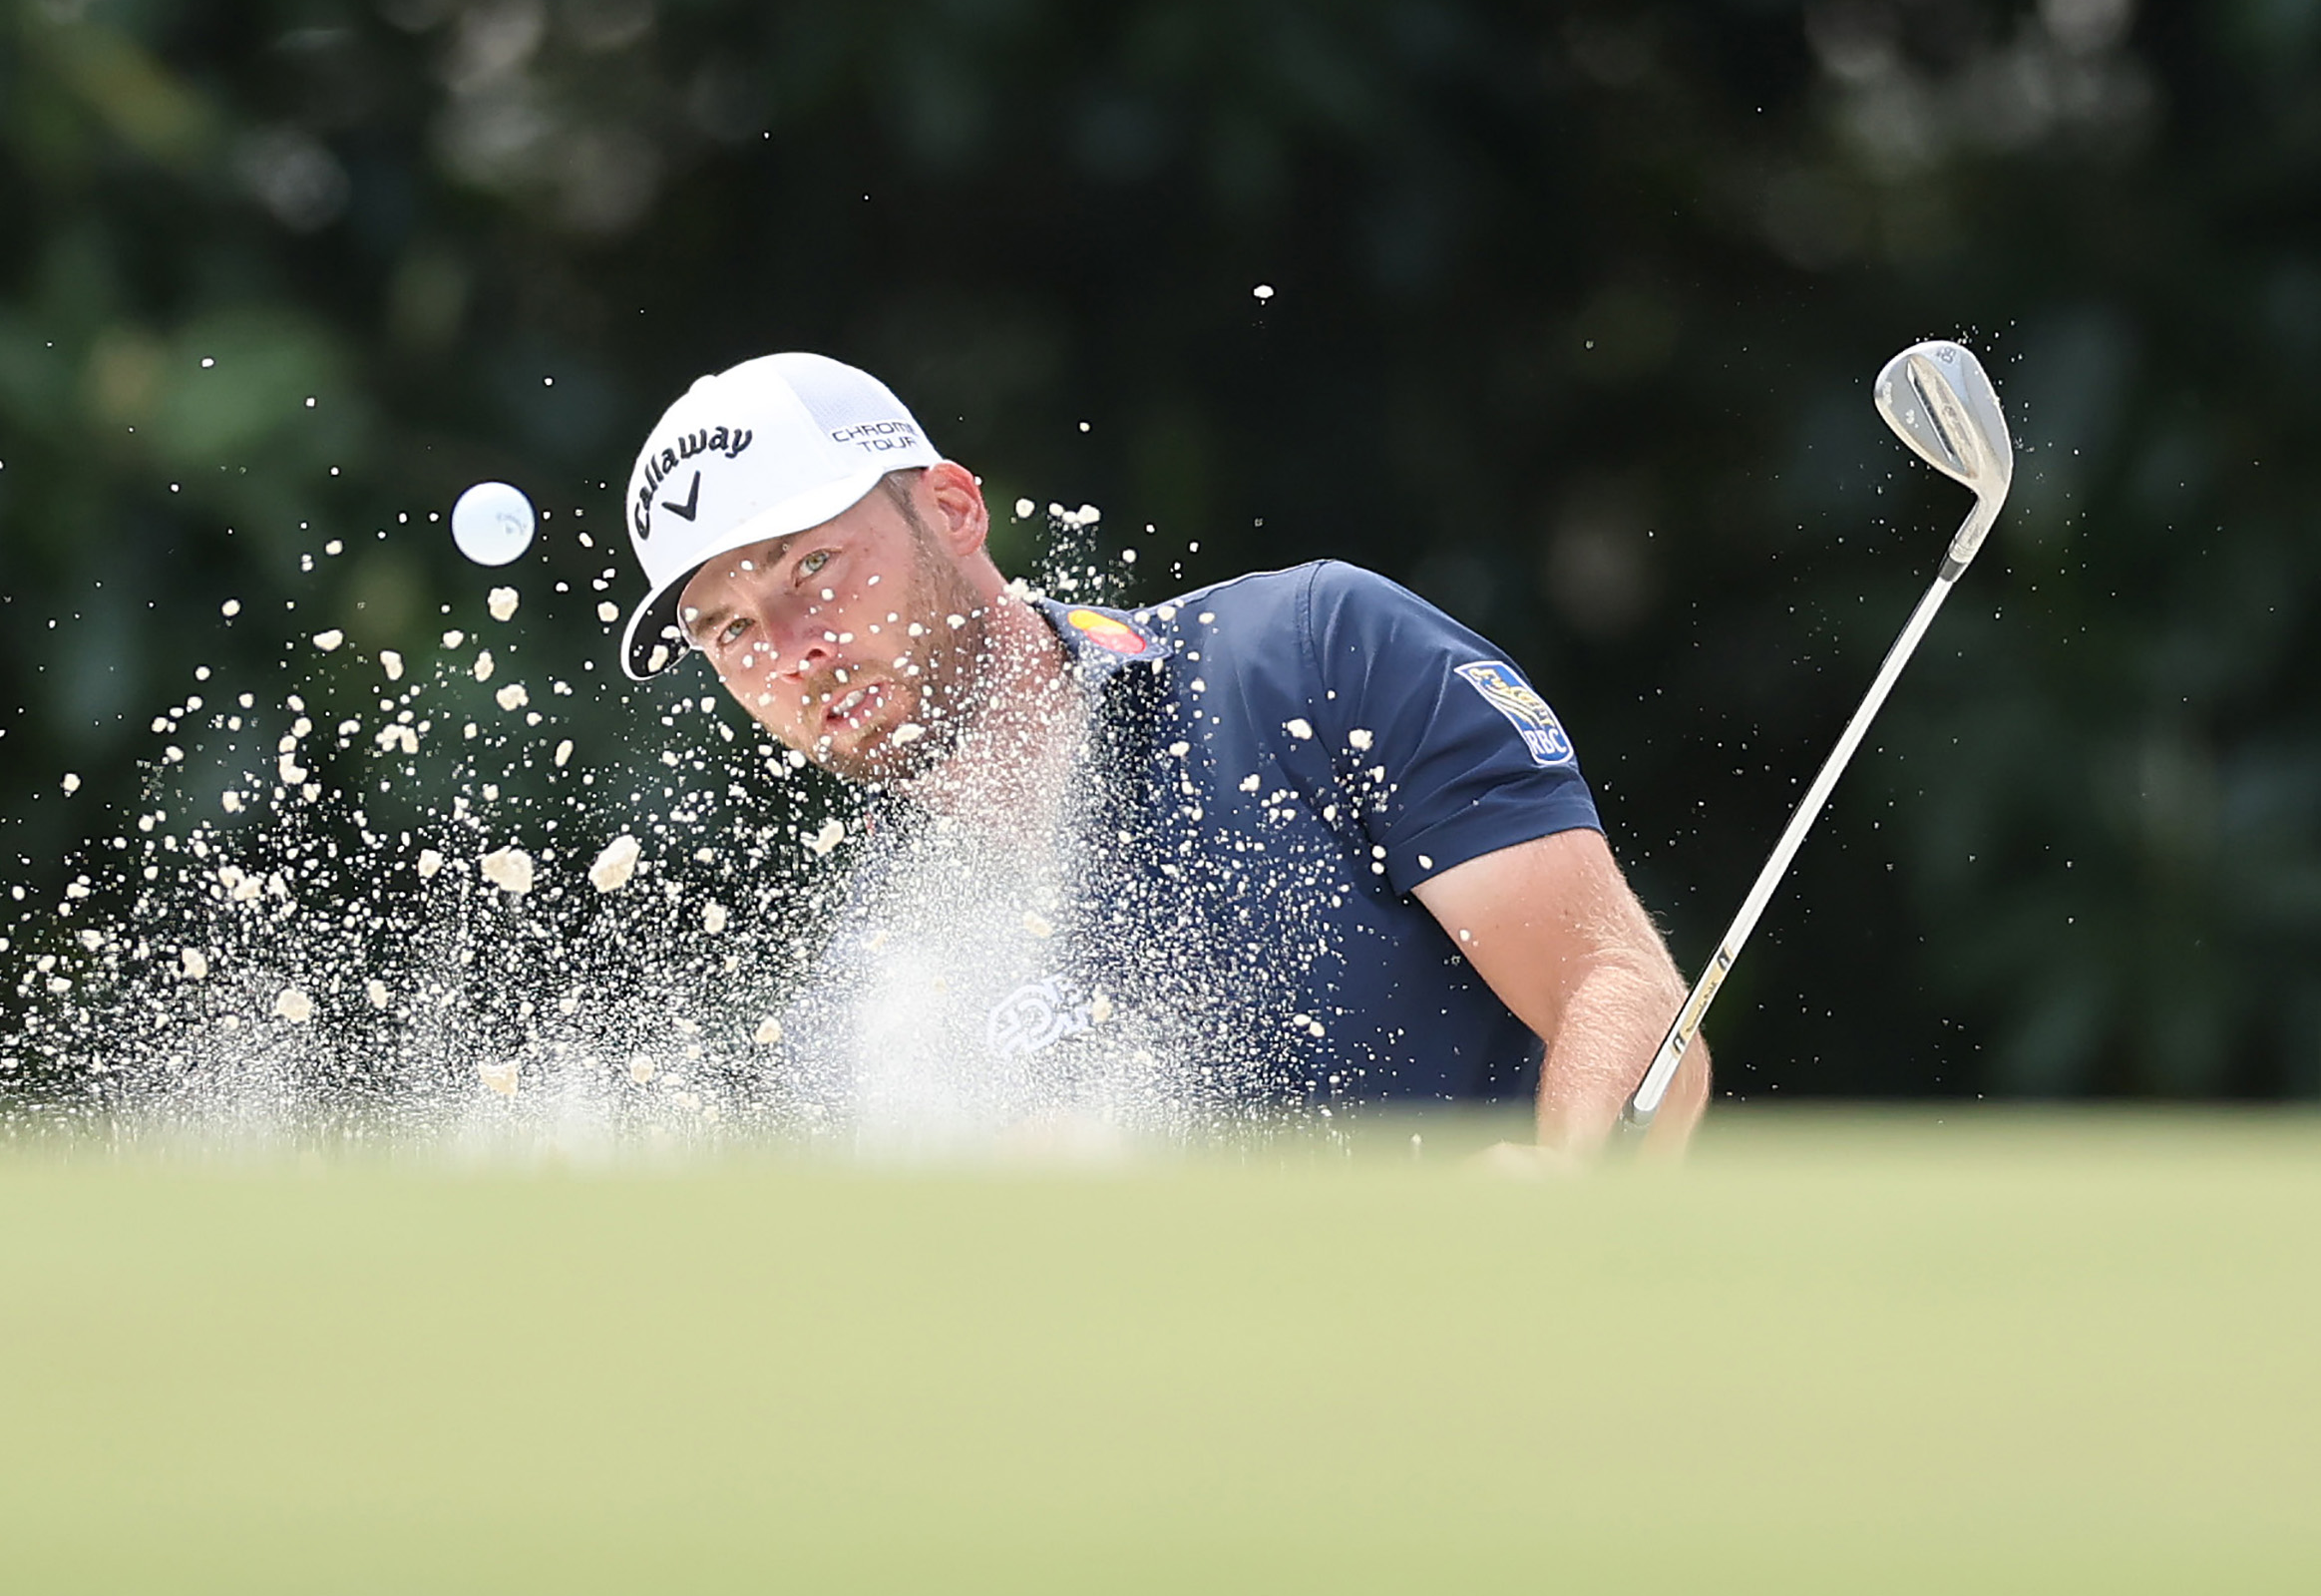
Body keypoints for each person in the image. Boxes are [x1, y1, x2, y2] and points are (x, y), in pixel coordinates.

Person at [616, 351, 1708, 1155]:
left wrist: (1566, 1212)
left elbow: (1614, 987)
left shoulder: (1308, 658)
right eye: (732, 630)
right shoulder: (865, 995)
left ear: (951, 510)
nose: (794, 652)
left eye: (810, 568)